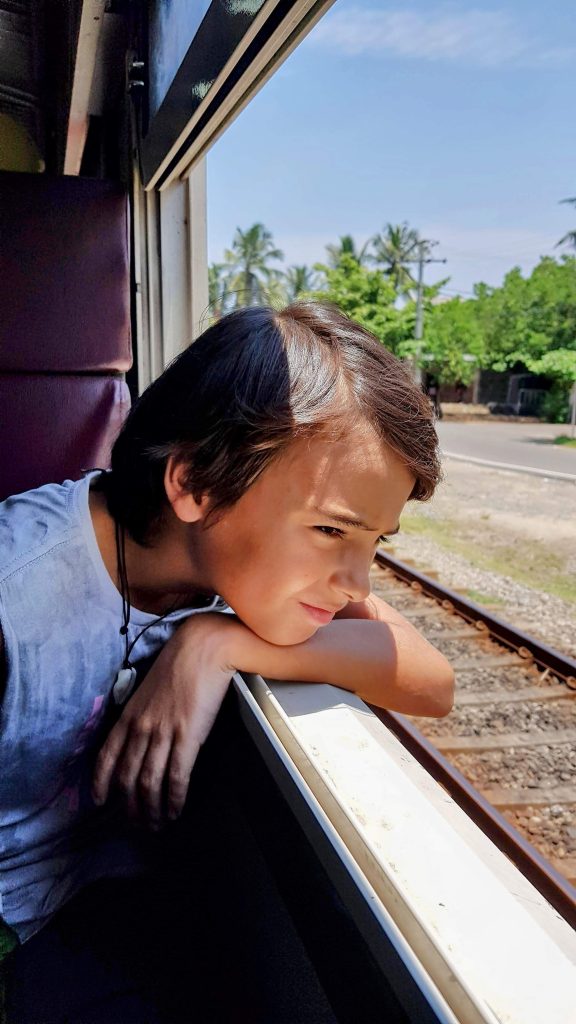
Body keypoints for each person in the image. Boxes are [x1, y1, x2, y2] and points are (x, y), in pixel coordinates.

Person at [0, 303, 453, 985]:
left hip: (99, 898)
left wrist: (214, 643)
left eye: (376, 542)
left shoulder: (234, 574)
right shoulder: (17, 590)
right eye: (332, 532)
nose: (355, 580)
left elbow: (431, 680)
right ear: (195, 483)